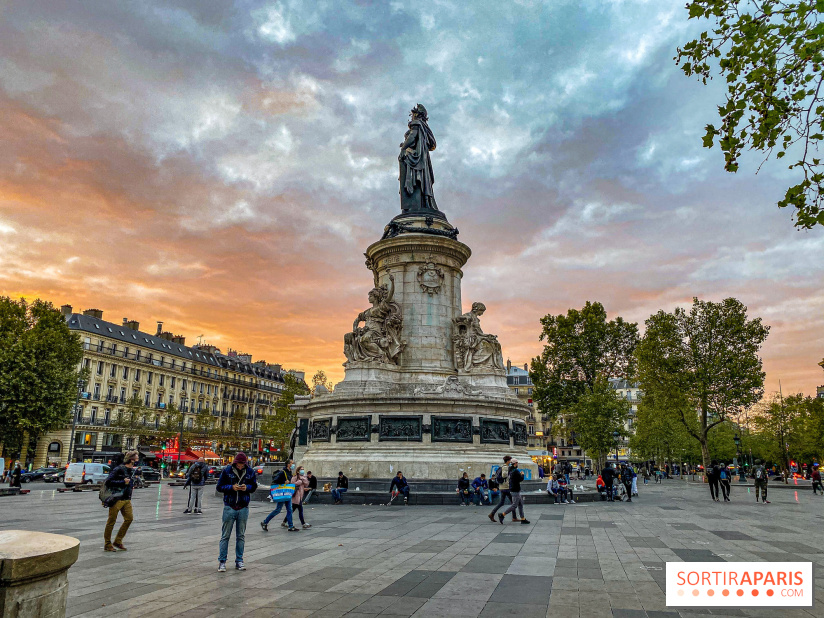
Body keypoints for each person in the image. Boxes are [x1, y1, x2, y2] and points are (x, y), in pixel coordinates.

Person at [217, 453, 257, 571]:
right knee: (225, 536)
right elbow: (219, 487)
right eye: (238, 465)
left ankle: (239, 560)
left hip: (243, 507)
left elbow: (254, 486)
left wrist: (247, 488)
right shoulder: (227, 471)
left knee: (241, 536)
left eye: (242, 465)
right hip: (229, 506)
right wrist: (231, 487)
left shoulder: (250, 472)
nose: (240, 467)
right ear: (235, 463)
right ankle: (222, 561)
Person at [103, 450, 139, 552]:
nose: (138, 460)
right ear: (131, 459)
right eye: (136, 458)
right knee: (111, 521)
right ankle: (107, 544)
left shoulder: (132, 470)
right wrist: (122, 482)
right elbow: (109, 482)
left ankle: (118, 541)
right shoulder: (119, 469)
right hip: (117, 499)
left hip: (127, 498)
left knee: (129, 519)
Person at [262, 461, 297, 532]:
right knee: (278, 509)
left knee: (289, 509)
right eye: (292, 463)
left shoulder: (289, 472)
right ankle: (265, 522)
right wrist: (284, 482)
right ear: (288, 464)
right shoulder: (282, 472)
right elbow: (275, 480)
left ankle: (291, 526)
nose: (293, 465)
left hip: (286, 493)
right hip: (282, 493)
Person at [499, 459, 529, 524]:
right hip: (515, 490)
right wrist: (522, 474)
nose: (517, 464)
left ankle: (523, 519)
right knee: (514, 505)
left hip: (513, 489)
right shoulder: (516, 471)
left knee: (520, 504)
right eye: (517, 463)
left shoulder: (510, 470)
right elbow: (520, 479)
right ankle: (502, 515)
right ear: (515, 463)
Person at [489, 456, 514, 522]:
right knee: (513, 502)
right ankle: (514, 517)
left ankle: (492, 514)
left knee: (501, 502)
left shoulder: (502, 467)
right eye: (510, 460)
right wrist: (509, 472)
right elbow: (504, 475)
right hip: (506, 487)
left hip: (502, 487)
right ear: (508, 461)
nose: (510, 462)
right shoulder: (505, 467)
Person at [290, 465, 312, 529]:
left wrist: (303, 479)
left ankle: (284, 521)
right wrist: (298, 482)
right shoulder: (295, 477)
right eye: (301, 469)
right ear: (298, 471)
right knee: (300, 510)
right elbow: (292, 485)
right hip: (296, 496)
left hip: (300, 496)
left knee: (292, 510)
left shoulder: (303, 477)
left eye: (303, 469)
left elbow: (307, 483)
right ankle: (303, 523)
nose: (302, 470)